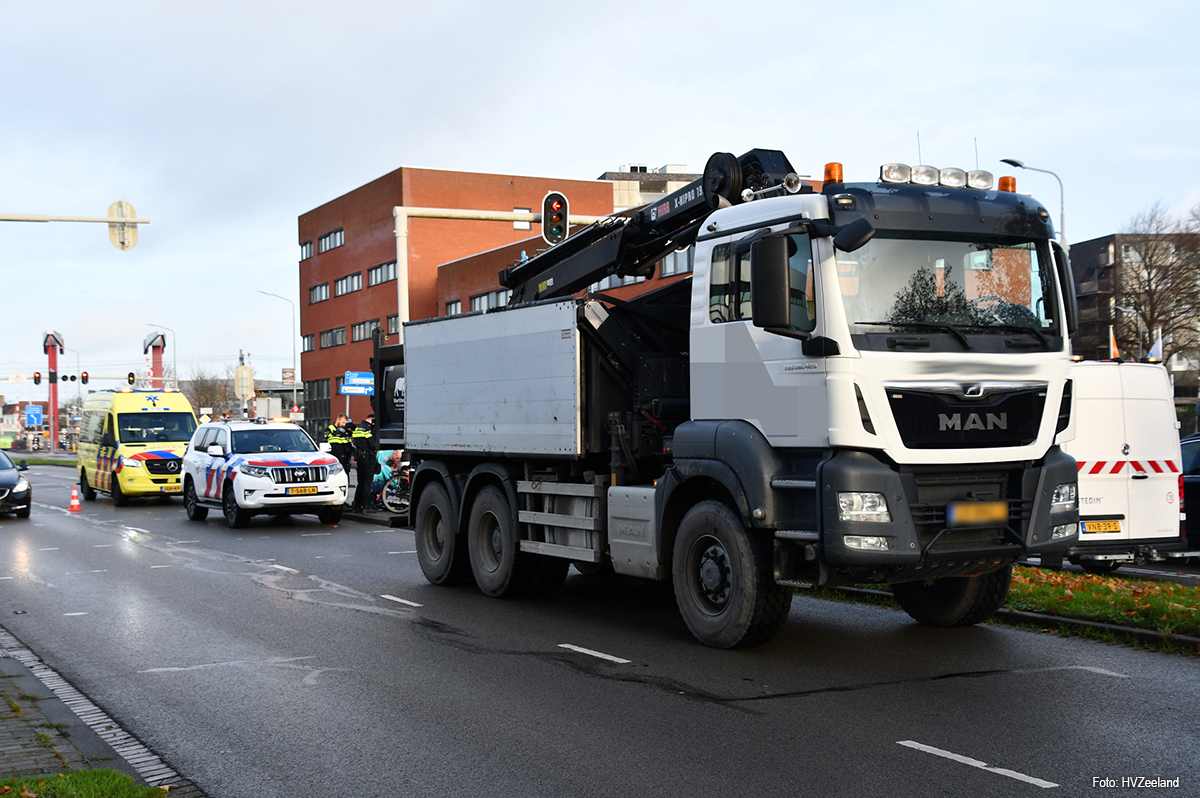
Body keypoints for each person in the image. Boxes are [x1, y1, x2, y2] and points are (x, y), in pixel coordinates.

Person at [350, 413, 378, 513]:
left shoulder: (358, 428)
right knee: (367, 482)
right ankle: (366, 505)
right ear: (372, 420)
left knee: (360, 482)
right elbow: (373, 445)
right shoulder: (367, 430)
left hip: (359, 457)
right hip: (368, 458)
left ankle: (357, 504)